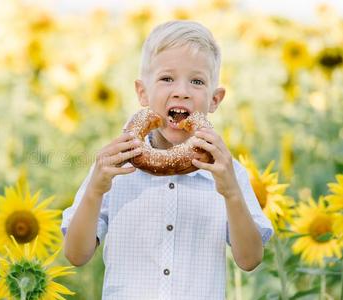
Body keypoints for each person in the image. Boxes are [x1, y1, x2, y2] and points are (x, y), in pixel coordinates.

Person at [61, 20, 273, 299]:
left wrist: (231, 192)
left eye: (197, 81)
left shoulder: (228, 172)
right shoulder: (113, 167)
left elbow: (250, 260)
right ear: (142, 93)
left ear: (215, 99)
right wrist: (95, 191)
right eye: (167, 78)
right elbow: (76, 255)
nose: (181, 90)